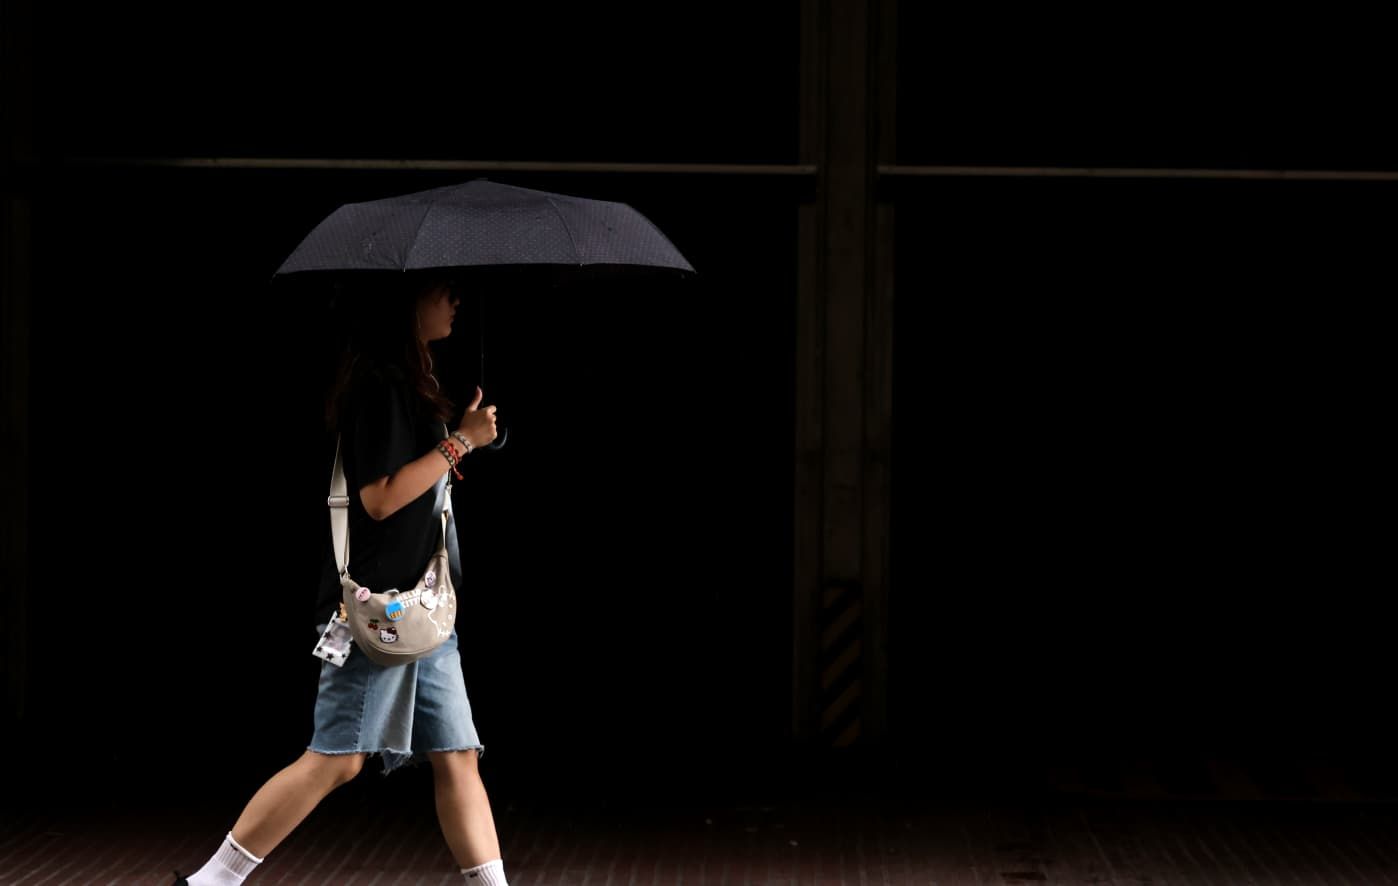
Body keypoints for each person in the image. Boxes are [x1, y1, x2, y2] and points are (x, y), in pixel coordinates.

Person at [174, 273, 509, 885]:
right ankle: (209, 882)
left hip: (423, 608)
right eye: (443, 290)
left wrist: (459, 437)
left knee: (458, 755)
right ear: (406, 300)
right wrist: (462, 441)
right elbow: (379, 499)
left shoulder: (413, 381)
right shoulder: (380, 384)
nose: (456, 300)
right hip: (375, 611)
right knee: (337, 759)